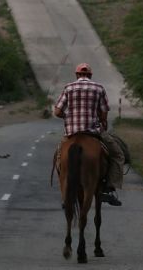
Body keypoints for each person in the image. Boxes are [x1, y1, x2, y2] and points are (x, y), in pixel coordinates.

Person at [53, 63, 127, 206]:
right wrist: (102, 122)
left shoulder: (68, 88)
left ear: (76, 75)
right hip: (92, 131)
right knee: (118, 155)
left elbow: (57, 112)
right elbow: (104, 114)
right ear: (90, 75)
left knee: (59, 156)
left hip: (71, 133)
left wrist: (67, 116)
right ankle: (108, 189)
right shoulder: (99, 88)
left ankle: (65, 189)